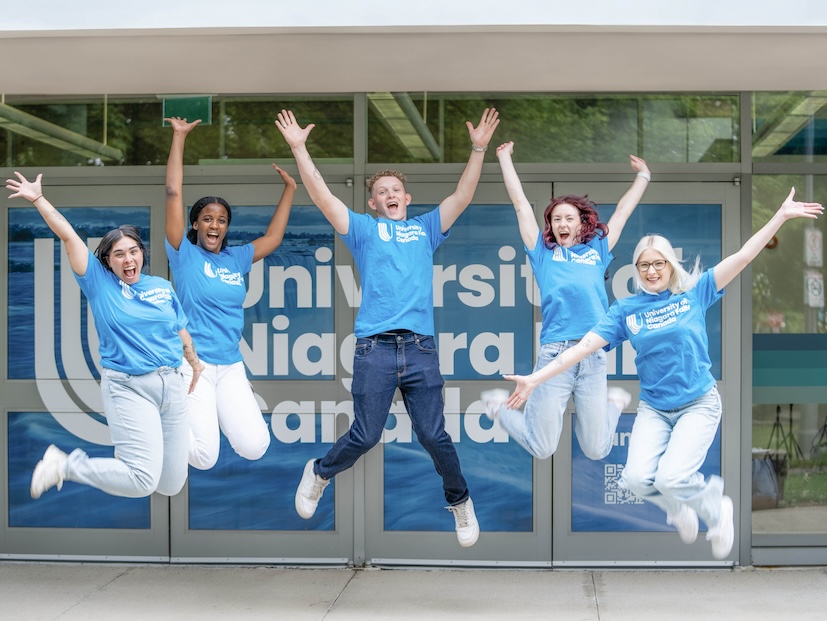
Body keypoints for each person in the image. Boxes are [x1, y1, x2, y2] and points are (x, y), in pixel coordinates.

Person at [500, 188, 823, 559]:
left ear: (670, 265)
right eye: (644, 265)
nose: (652, 271)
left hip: (697, 404)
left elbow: (744, 256)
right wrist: (536, 379)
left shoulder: (694, 293)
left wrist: (780, 216)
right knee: (636, 479)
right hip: (655, 409)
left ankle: (716, 507)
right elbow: (580, 349)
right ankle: (679, 507)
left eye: (659, 264)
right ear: (635, 270)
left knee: (671, 477)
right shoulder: (625, 310)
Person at [275, 107, 499, 547]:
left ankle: (460, 501)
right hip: (373, 349)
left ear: (407, 198)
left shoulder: (425, 228)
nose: (390, 193)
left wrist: (478, 149)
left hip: (419, 349)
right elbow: (322, 196)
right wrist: (300, 149)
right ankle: (319, 473)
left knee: (434, 435)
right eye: (382, 191)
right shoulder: (363, 230)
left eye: (396, 188)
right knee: (366, 434)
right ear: (374, 202)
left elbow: (463, 195)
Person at [6, 172, 204, 499]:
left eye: (133, 251)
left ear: (142, 253)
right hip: (129, 386)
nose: (128, 259)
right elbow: (69, 237)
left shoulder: (161, 287)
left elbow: (179, 327)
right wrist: (39, 199)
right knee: (142, 481)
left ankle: (126, 458)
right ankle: (66, 465)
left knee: (170, 485)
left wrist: (195, 364)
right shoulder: (100, 285)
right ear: (108, 261)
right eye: (119, 254)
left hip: (172, 384)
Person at [481, 141, 650, 461]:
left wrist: (643, 177)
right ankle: (497, 409)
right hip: (555, 354)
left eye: (568, 218)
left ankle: (613, 404)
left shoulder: (597, 249)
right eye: (556, 219)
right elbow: (520, 204)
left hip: (593, 354)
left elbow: (624, 211)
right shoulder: (543, 254)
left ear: (581, 223)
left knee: (597, 449)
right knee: (542, 447)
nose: (561, 224)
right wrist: (504, 158)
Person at [164, 117, 297, 470]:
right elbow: (174, 193)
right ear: (196, 224)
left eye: (221, 219)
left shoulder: (235, 258)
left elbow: (272, 239)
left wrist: (290, 190)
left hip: (231, 365)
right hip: (194, 365)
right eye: (207, 218)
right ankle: (159, 426)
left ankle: (190, 420)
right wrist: (179, 138)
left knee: (255, 446)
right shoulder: (184, 253)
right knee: (205, 458)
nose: (214, 224)